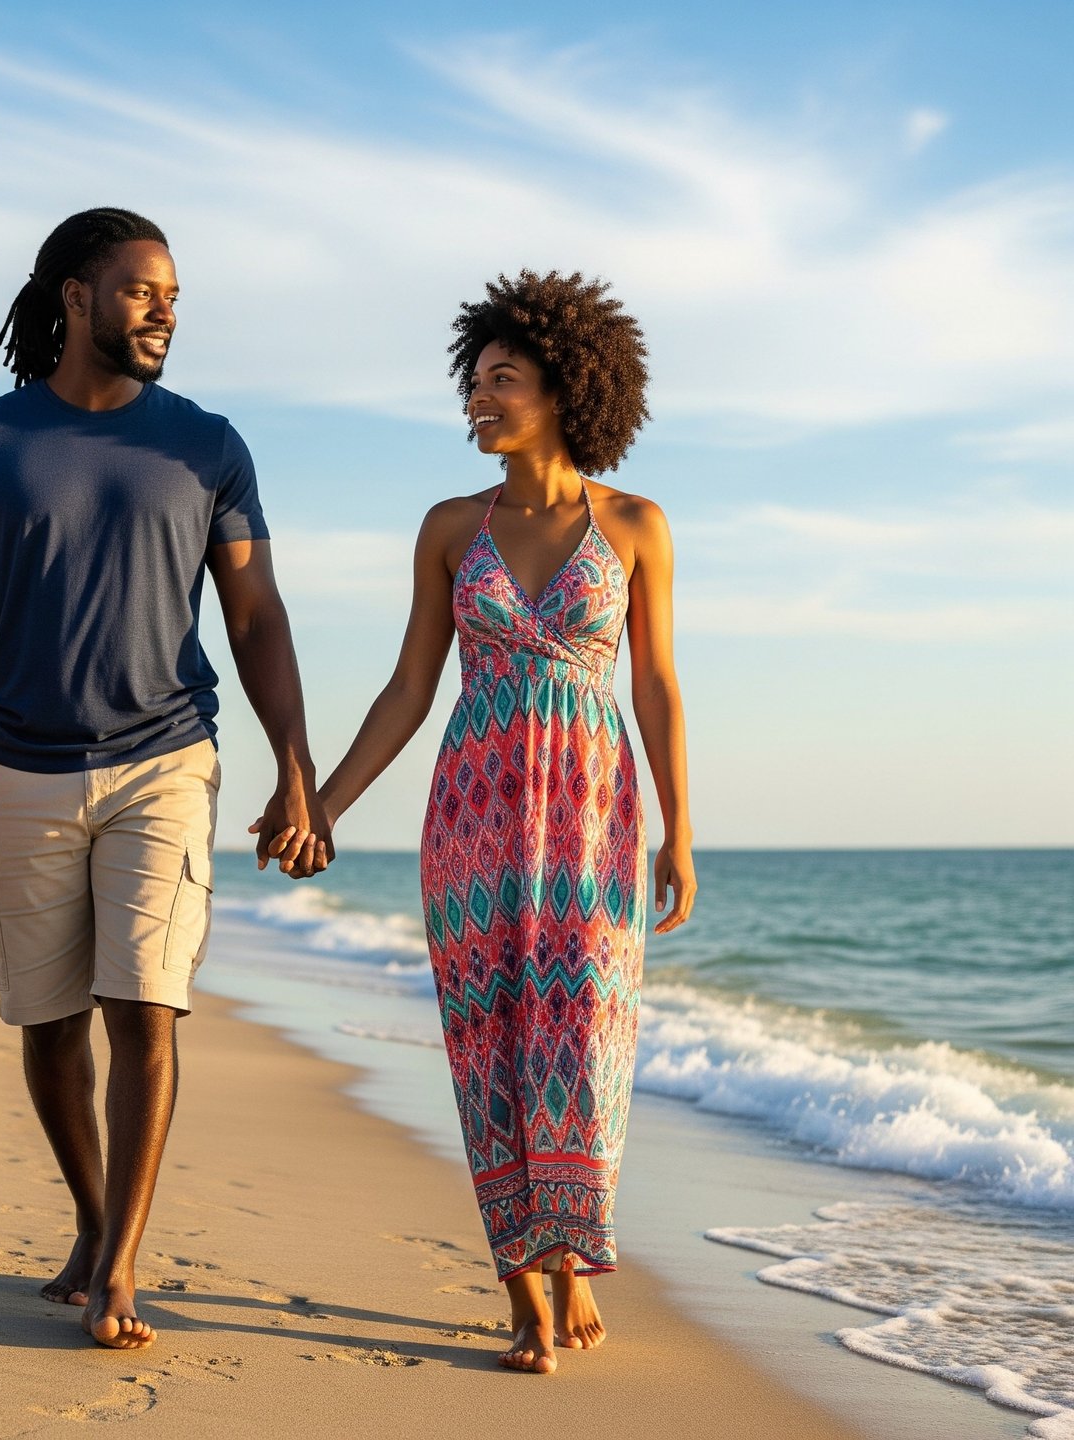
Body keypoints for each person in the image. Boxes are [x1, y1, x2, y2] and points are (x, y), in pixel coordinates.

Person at [0, 207, 331, 1351]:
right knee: (46, 1022)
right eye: (143, 291)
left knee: (146, 1005)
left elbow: (258, 615)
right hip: (22, 766)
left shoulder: (208, 445)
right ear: (76, 295)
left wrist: (295, 761)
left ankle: (121, 1267)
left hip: (165, 759)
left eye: (174, 297)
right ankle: (92, 1219)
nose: (165, 313)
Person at [271, 270, 695, 1374]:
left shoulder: (639, 526)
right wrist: (323, 803)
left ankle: (569, 1262)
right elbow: (412, 686)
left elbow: (655, 685)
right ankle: (524, 1294)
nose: (478, 396)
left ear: (564, 388)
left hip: (594, 810)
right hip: (475, 812)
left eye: (501, 379)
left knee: (586, 1041)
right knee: (489, 1045)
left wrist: (680, 831)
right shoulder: (452, 530)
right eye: (473, 379)